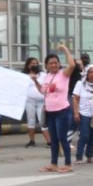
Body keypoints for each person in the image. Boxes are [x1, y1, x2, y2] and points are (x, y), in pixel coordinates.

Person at [40, 44, 76, 174]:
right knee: (53, 139)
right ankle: (53, 163)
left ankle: (68, 164)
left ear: (59, 64)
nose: (53, 65)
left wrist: (65, 49)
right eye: (51, 63)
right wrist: (34, 81)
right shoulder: (47, 76)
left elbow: (72, 65)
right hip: (50, 112)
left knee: (62, 137)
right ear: (47, 65)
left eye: (55, 63)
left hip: (62, 111)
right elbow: (42, 91)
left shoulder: (64, 74)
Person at [72, 64, 93, 164]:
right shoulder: (80, 84)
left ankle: (90, 156)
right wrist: (76, 113)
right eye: (90, 72)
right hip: (84, 113)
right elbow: (75, 99)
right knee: (84, 135)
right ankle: (79, 157)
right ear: (86, 73)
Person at [22, 57, 50, 148]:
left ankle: (49, 141)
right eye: (32, 63)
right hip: (29, 102)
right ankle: (31, 141)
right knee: (31, 121)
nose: (35, 65)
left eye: (36, 63)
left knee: (43, 121)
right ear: (28, 65)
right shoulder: (24, 76)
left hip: (41, 102)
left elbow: (46, 86)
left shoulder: (43, 75)